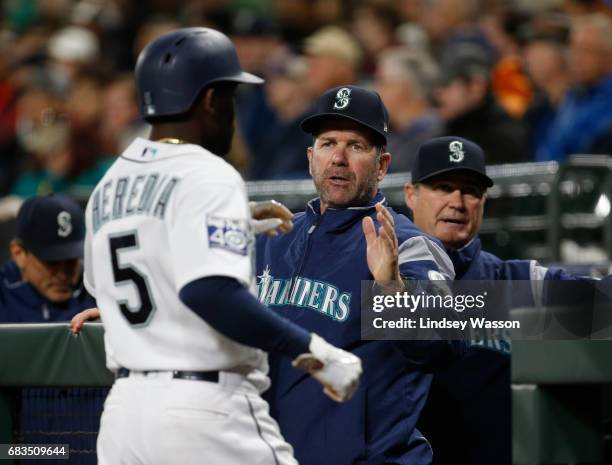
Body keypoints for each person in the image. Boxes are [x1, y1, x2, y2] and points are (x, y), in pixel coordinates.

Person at [83, 28, 362, 465]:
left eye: (356, 145)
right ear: (211, 99)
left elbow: (444, 333)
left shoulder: (110, 184)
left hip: (125, 416)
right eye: (328, 143)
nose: (234, 111)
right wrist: (314, 351)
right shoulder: (214, 180)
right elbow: (208, 290)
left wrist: (235, 221)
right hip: (204, 409)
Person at [256, 85, 458, 465]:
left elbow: (446, 341)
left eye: (356, 146)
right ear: (310, 157)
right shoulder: (274, 240)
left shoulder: (405, 245)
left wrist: (392, 289)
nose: (339, 159)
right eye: (329, 143)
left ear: (382, 166)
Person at [404, 135, 610, 465]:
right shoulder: (381, 279)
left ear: (484, 201)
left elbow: (601, 302)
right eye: (443, 187)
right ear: (411, 195)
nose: (457, 201)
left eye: (471, 190)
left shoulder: (518, 280)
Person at [0, 193, 94, 322]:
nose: (62, 275)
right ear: (19, 254)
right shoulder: (3, 297)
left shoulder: (98, 292)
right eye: (51, 263)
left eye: (71, 261)